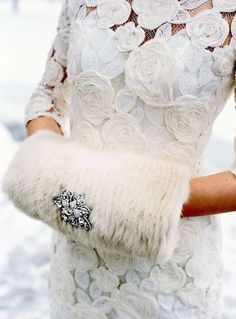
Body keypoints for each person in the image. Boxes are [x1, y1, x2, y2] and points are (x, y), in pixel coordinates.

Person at [20, 0, 236, 318]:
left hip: (169, 273)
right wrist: (57, 182)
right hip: (79, 261)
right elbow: (46, 99)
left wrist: (125, 201)